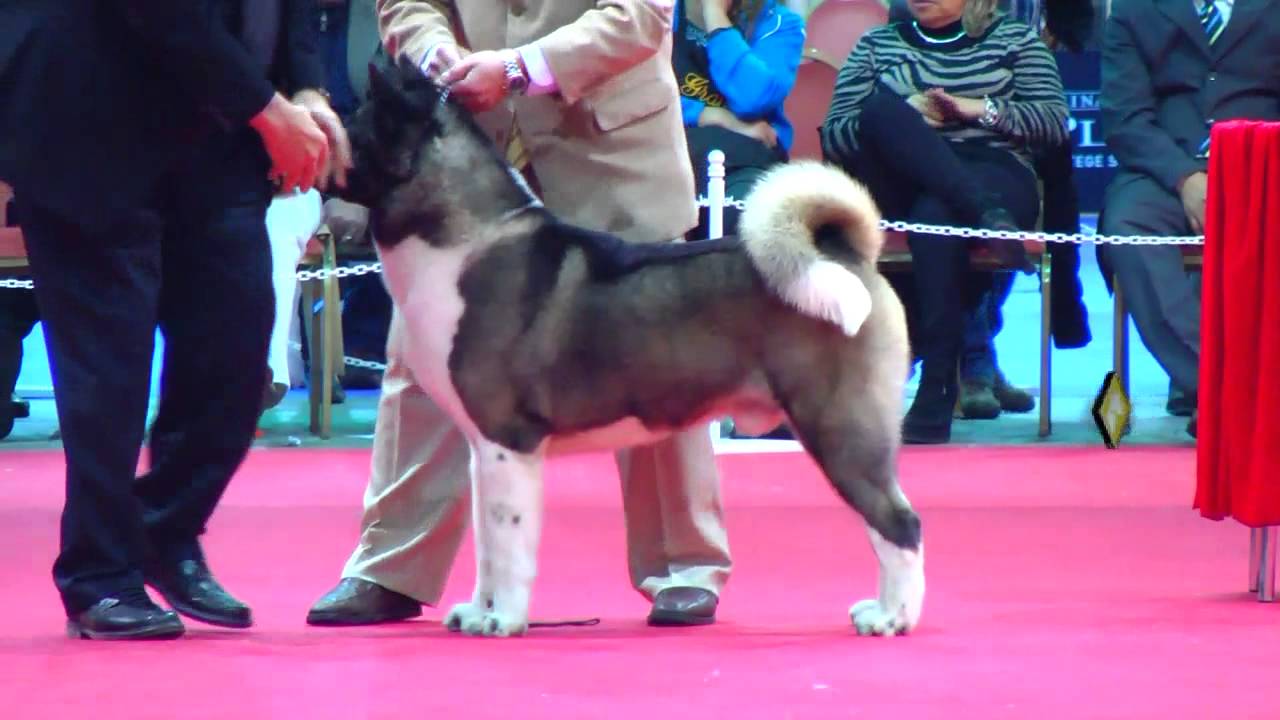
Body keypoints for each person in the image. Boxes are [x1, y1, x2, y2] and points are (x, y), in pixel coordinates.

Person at [307, 0, 733, 628]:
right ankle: (391, 567)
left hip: (611, 152)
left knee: (654, 357)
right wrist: (433, 53)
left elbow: (641, 14)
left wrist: (519, 68)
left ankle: (684, 566)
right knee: (422, 360)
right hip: (465, 161)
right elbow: (406, 4)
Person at [0, 0, 347, 640]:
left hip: (220, 136)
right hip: (86, 114)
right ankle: (101, 574)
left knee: (238, 352)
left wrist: (306, 87)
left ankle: (162, 529)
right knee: (109, 372)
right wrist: (269, 109)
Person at [820, 0, 1069, 444]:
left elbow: (1053, 123)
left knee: (935, 215)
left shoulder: (1015, 40)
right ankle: (982, 213)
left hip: (994, 169)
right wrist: (907, 114)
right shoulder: (877, 44)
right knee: (880, 111)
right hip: (904, 177)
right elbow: (836, 136)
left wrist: (978, 109)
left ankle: (936, 386)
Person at [1098, 0, 1280, 439]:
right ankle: (1221, 388)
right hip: (1164, 169)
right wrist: (1184, 177)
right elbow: (1125, 117)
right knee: (1127, 227)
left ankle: (1233, 396)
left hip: (1264, 161)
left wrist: (1257, 161)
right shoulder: (1134, 11)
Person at [674, 0, 805, 239]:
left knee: (744, 220)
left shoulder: (779, 23)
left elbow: (752, 98)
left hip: (744, 162)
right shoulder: (657, 12)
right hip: (671, 151)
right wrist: (709, 114)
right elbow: (636, 93)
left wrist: (715, 16)